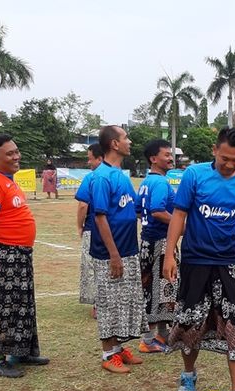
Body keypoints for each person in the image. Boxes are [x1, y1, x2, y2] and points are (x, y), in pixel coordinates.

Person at [163, 127, 235, 391]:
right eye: (225, 158)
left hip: (231, 263)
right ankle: (188, 376)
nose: (231, 165)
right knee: (190, 321)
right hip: (196, 261)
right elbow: (179, 215)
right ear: (214, 150)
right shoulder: (194, 176)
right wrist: (170, 254)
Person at [0, 133, 49, 378]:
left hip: (19, 253)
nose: (16, 156)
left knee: (21, 305)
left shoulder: (8, 180)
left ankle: (21, 351)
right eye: (10, 153)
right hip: (1, 254)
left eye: (16, 151)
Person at [87, 126, 146, 373]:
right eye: (125, 138)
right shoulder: (102, 177)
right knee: (109, 302)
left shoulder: (121, 175)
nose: (129, 141)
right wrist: (113, 255)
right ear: (114, 144)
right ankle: (107, 354)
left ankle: (118, 349)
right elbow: (100, 218)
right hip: (110, 254)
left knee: (124, 301)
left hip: (128, 249)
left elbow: (130, 210)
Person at [137, 139, 177, 353]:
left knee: (160, 290)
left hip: (146, 241)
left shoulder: (145, 182)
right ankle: (148, 339)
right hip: (159, 243)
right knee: (158, 289)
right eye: (166, 154)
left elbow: (138, 211)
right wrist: (182, 225)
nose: (171, 158)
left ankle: (162, 334)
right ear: (154, 159)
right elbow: (157, 211)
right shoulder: (160, 183)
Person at [75, 144, 103, 318]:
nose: (88, 162)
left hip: (93, 230)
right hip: (116, 232)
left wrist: (79, 226)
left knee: (92, 267)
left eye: (90, 158)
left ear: (99, 158)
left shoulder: (91, 178)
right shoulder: (118, 176)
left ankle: (97, 305)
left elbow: (83, 205)